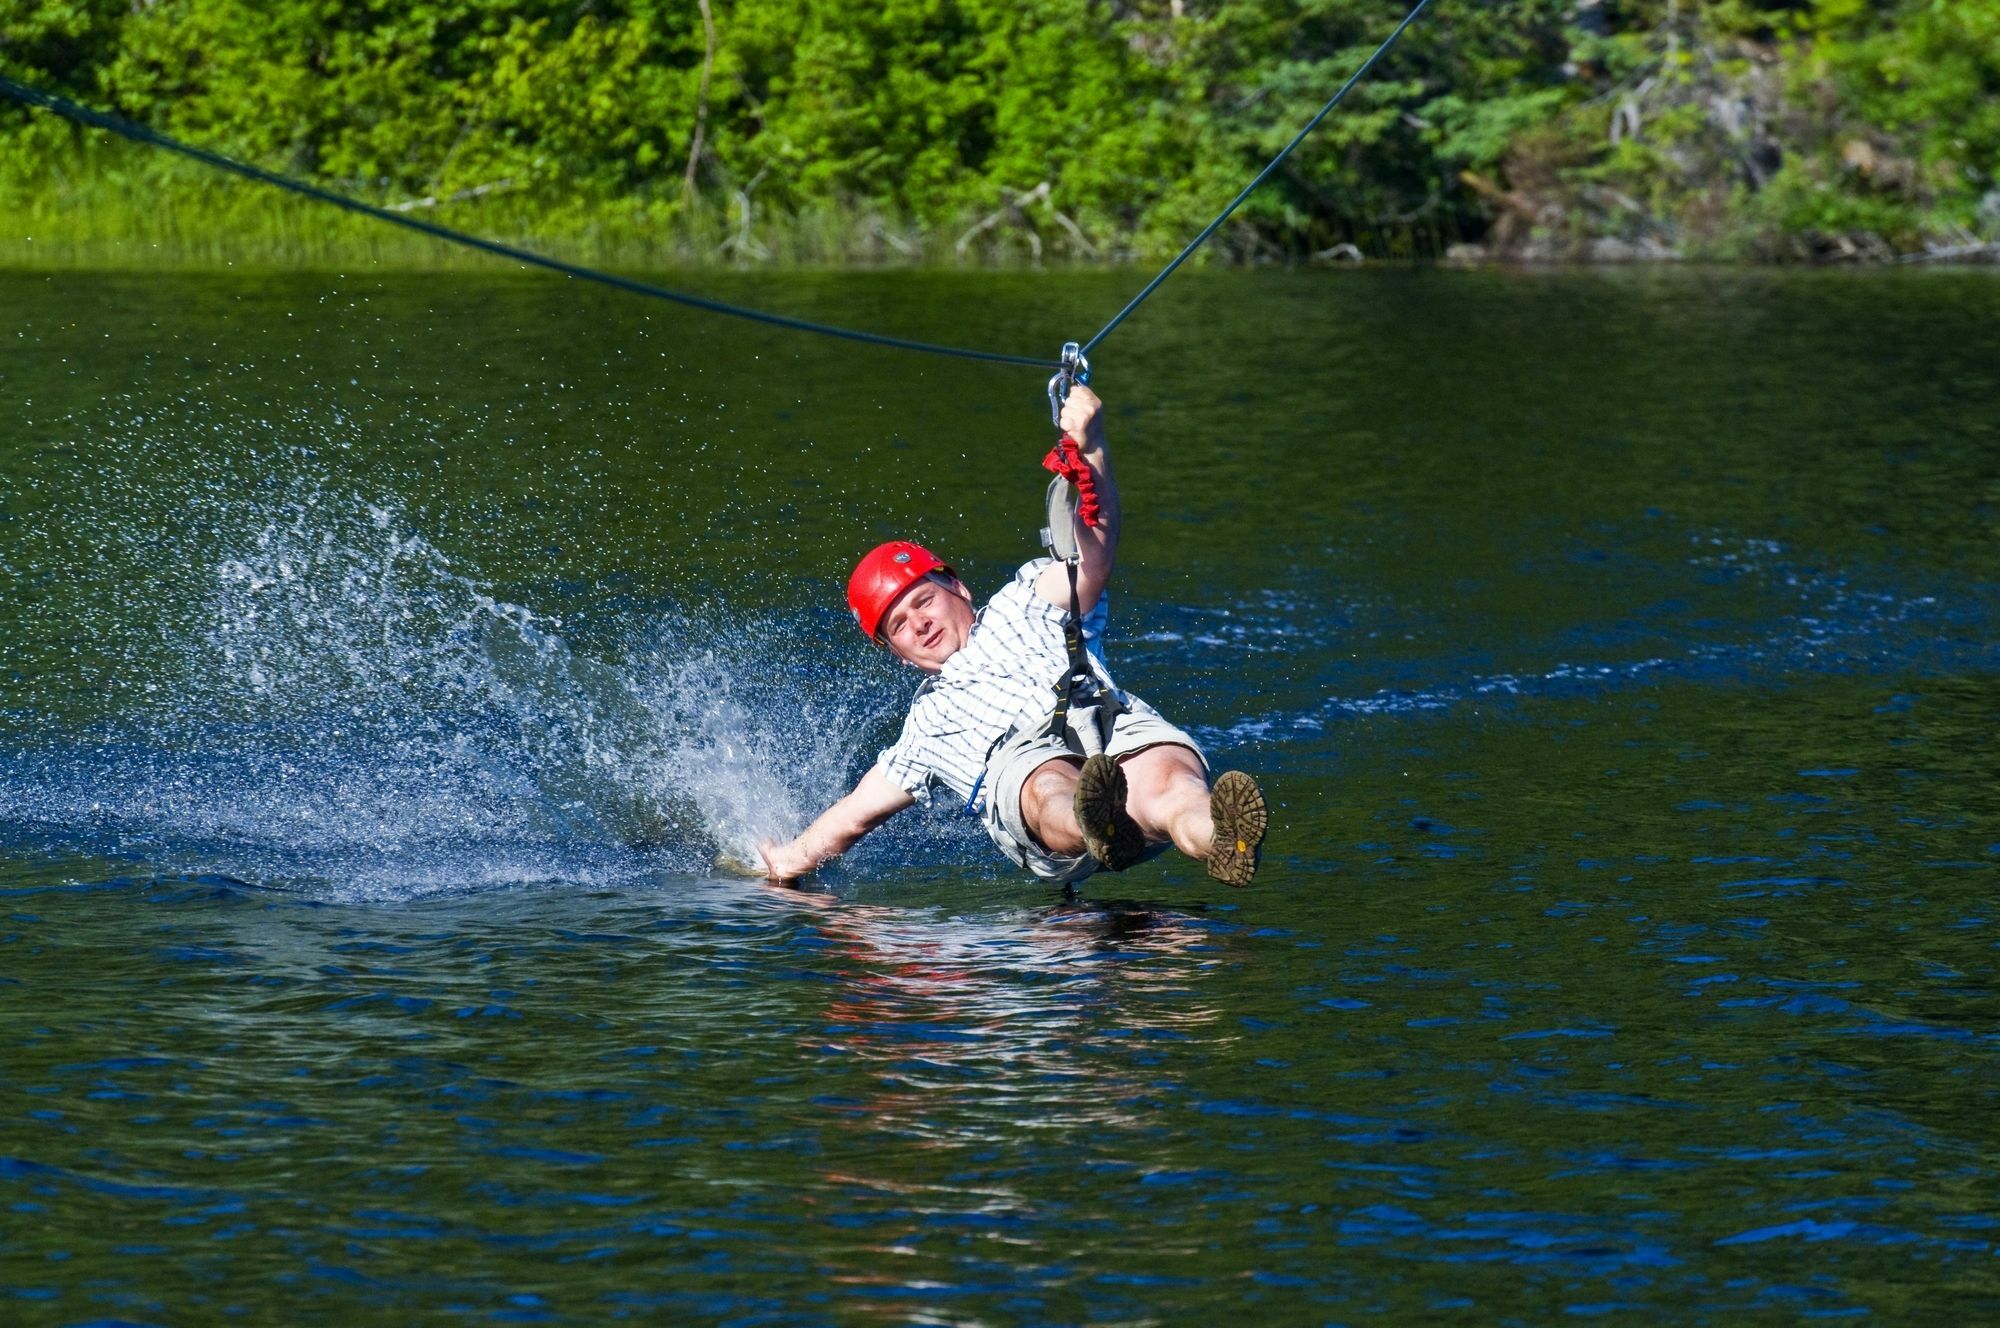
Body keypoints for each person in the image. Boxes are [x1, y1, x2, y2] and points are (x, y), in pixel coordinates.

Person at [758, 384, 1266, 888]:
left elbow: (1093, 556)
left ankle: (1218, 837)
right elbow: (853, 817)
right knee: (1047, 783)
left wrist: (1092, 449)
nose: (919, 623)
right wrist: (788, 861)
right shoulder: (924, 728)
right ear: (898, 653)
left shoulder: (1025, 596)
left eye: (923, 600)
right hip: (1024, 774)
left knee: (1172, 782)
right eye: (900, 625)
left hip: (1105, 722)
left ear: (956, 586)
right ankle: (1097, 824)